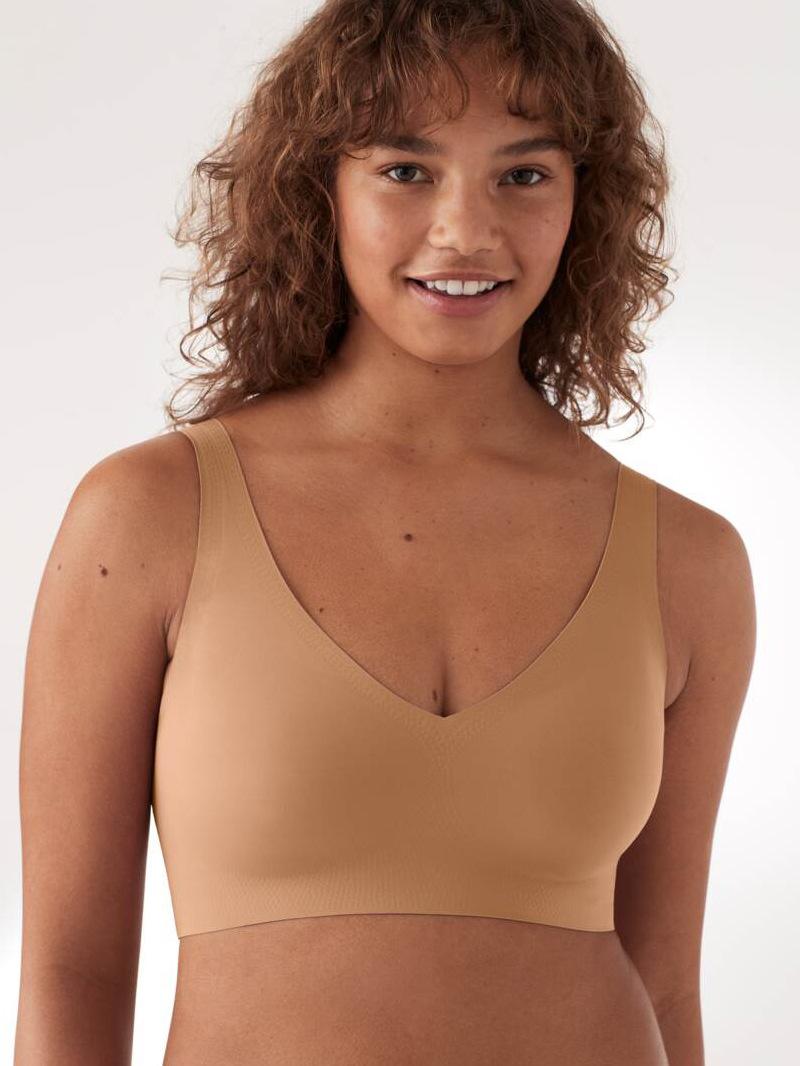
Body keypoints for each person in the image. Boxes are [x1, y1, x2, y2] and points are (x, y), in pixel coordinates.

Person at [14, 1, 756, 1063]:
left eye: (523, 173)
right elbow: (70, 970)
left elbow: (667, 978)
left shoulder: (687, 559)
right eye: (406, 170)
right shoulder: (150, 514)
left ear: (585, 200)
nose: (466, 230)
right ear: (319, 189)